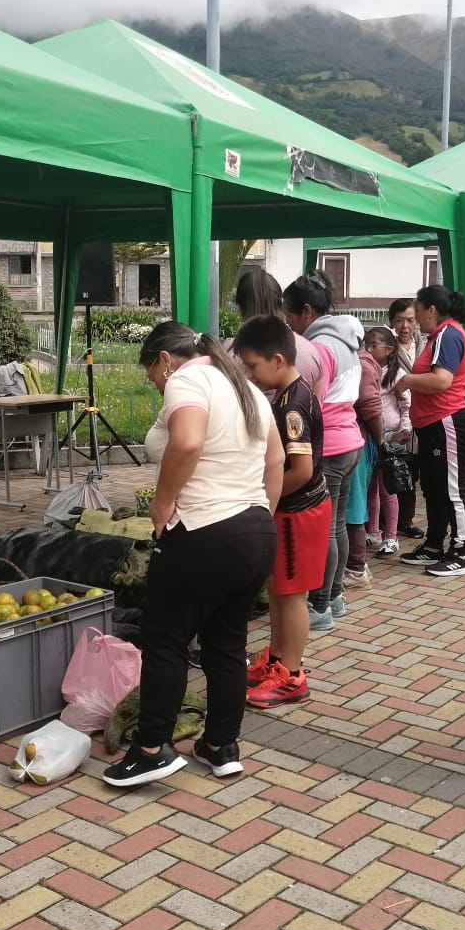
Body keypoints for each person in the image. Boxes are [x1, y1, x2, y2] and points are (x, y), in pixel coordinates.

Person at [102, 322, 283, 787]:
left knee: (166, 640)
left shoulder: (188, 380)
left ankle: (150, 750)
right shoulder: (244, 386)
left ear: (165, 360)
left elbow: (187, 442)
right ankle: (221, 745)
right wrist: (257, 516)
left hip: (202, 529)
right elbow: (276, 460)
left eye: (151, 375)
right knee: (227, 643)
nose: (154, 385)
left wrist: (162, 504)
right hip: (256, 530)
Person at [233, 316, 329, 707]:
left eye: (252, 366)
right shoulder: (290, 393)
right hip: (291, 510)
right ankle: (276, 660)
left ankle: (291, 676)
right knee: (278, 590)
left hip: (299, 512)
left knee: (291, 595)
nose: (250, 375)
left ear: (277, 359)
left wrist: (266, 499)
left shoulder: (293, 405)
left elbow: (301, 470)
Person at [283, 271, 362, 631]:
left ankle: (319, 606)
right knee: (338, 524)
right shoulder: (346, 340)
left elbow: (310, 403)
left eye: (289, 316)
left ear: (306, 312)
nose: (289, 324)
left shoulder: (320, 348)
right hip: (350, 442)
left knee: (325, 530)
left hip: (330, 446)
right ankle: (335, 596)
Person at [394, 285, 465, 577]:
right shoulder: (438, 336)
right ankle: (433, 545)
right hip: (431, 424)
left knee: (452, 490)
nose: (415, 318)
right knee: (433, 488)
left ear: (431, 310)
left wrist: (407, 381)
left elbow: (441, 380)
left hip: (447, 422)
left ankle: (460, 552)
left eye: (417, 311)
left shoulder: (448, 335)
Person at [233, 266, 325, 399]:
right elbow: (316, 405)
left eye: (251, 366)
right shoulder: (310, 351)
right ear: (281, 303)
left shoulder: (231, 353)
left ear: (241, 308)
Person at [365, 326, 411, 557]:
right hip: (370, 438)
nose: (368, 349)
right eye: (366, 345)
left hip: (389, 439)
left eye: (374, 345)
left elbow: (406, 406)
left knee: (387, 488)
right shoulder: (366, 371)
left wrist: (405, 427)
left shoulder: (397, 375)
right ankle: (373, 531)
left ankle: (391, 537)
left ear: (389, 350)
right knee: (371, 487)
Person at [343, 333, 385, 586]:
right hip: (360, 438)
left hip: (358, 439)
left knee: (353, 505)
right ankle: (355, 564)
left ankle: (356, 567)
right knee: (354, 503)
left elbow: (371, 406)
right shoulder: (362, 363)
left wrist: (380, 440)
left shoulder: (360, 365)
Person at [388, 299, 425, 539]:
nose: (405, 326)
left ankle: (406, 519)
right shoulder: (386, 346)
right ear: (392, 321)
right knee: (397, 470)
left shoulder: (426, 345)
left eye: (410, 320)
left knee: (415, 472)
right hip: (396, 417)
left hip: (422, 416)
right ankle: (393, 521)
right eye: (400, 320)